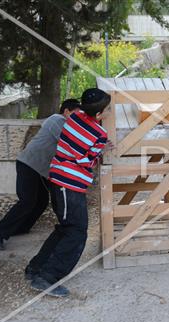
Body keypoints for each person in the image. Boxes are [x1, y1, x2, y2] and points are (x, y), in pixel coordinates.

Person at [26, 88, 111, 298]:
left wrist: (93, 151)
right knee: (76, 231)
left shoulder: (74, 118)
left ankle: (35, 268)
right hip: (69, 184)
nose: (110, 112)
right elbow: (86, 160)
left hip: (58, 179)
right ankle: (47, 278)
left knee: (65, 228)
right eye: (108, 109)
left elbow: (80, 150)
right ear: (99, 115)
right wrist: (100, 151)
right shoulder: (99, 134)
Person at [0, 99, 81, 250]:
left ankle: (21, 227)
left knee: (41, 201)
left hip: (40, 170)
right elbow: (70, 144)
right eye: (76, 114)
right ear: (66, 111)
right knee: (27, 201)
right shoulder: (57, 120)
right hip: (28, 165)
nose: (78, 118)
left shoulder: (67, 125)